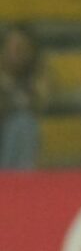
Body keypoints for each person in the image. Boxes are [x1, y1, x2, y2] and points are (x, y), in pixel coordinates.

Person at [0, 25, 49, 169]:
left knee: (23, 123)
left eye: (20, 47)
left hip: (17, 133)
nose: (15, 52)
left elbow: (39, 102)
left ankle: (15, 180)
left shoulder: (38, 73)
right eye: (11, 47)